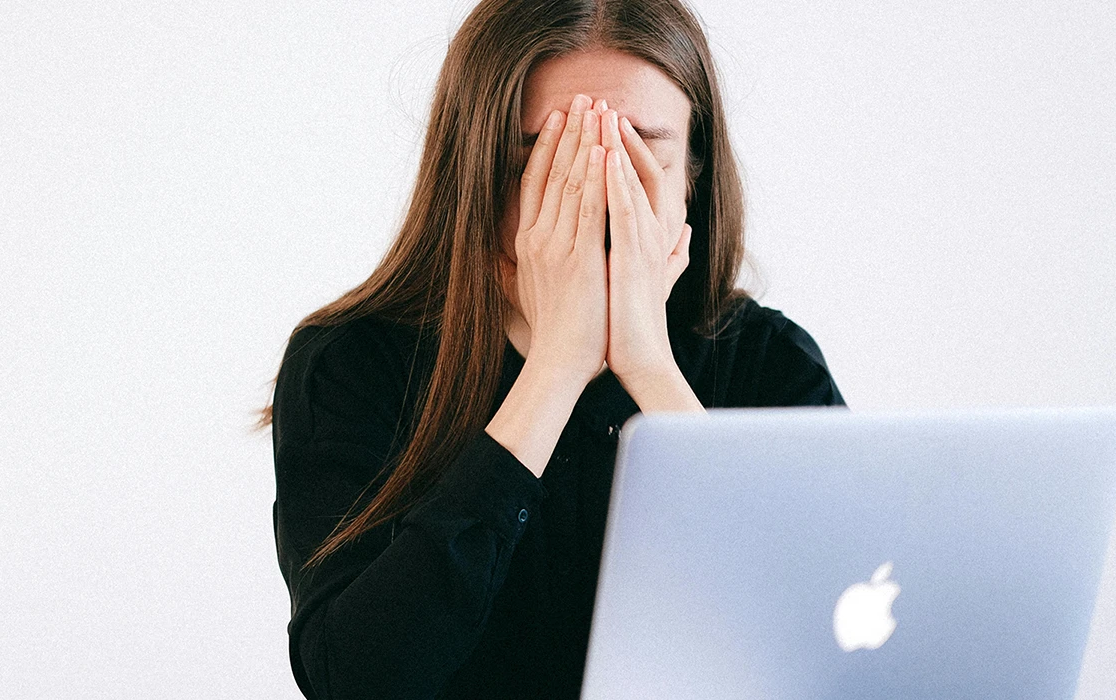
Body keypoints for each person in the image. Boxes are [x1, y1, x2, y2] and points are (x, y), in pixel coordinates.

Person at [258, 1, 844, 697]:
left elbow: (825, 647)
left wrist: (649, 368)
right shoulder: (351, 364)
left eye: (636, 159)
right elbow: (357, 676)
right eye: (550, 160)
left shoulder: (770, 363)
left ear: (691, 174)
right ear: (476, 172)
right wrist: (556, 370)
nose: (595, 196)